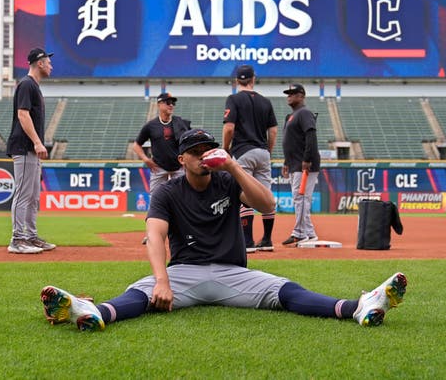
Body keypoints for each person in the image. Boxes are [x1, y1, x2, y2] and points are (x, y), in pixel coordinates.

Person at [40, 129, 408, 332]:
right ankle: (90, 311)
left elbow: (267, 206)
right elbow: (154, 236)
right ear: (181, 159)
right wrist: (162, 281)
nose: (203, 156)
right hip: (183, 274)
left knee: (286, 291)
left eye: (208, 149)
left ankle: (358, 307)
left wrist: (232, 167)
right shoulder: (167, 191)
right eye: (195, 151)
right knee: (142, 293)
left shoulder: (227, 180)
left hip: (234, 274)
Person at [6, 48, 56, 254]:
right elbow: (22, 115)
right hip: (25, 146)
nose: (51, 65)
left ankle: (31, 237)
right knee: (23, 194)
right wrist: (36, 142)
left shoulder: (33, 86)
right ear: (40, 63)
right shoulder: (27, 84)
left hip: (31, 149)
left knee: (34, 195)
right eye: (48, 62)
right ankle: (17, 239)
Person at [222, 65, 277, 253]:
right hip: (262, 152)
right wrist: (267, 150)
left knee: (245, 194)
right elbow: (274, 131)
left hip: (243, 150)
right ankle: (268, 240)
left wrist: (225, 149)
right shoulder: (265, 101)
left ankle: (248, 241)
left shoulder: (234, 99)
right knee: (265, 196)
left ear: (237, 81)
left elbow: (229, 128)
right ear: (253, 79)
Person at [132, 92, 191, 244]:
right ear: (159, 104)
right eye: (167, 102)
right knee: (154, 200)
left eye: (172, 102)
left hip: (178, 167)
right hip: (159, 168)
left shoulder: (180, 122)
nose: (171, 105)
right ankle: (151, 233)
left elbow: (188, 141)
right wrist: (145, 159)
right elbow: (136, 145)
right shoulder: (151, 126)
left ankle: (185, 232)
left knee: (183, 198)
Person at [280, 84, 321, 246]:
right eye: (288, 93)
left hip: (304, 164)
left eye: (293, 93)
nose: (289, 96)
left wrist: (307, 159)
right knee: (300, 197)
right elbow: (290, 142)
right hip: (294, 163)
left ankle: (299, 233)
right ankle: (309, 233)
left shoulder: (304, 113)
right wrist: (286, 162)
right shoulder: (291, 116)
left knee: (301, 198)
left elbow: (311, 136)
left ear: (301, 96)